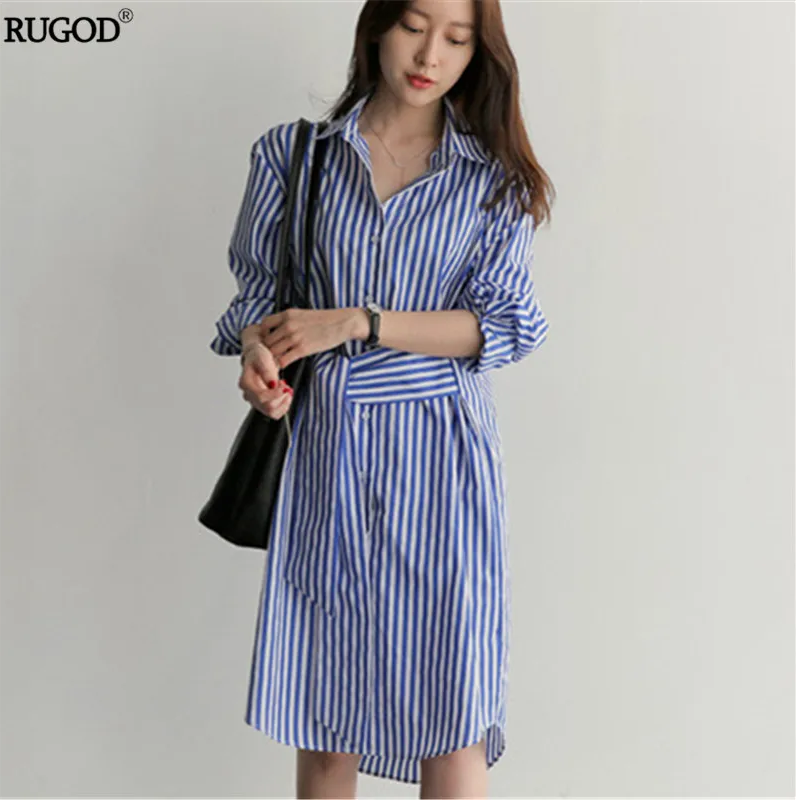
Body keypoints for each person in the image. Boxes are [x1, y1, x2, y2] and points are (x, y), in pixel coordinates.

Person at [209, 0, 554, 796]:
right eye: (415, 26)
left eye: (457, 39)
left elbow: (506, 325)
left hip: (442, 455)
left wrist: (359, 321)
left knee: (451, 717)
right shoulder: (294, 157)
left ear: (478, 54)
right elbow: (254, 307)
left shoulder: (491, 179)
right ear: (378, 27)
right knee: (325, 715)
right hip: (327, 449)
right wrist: (259, 360)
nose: (431, 54)